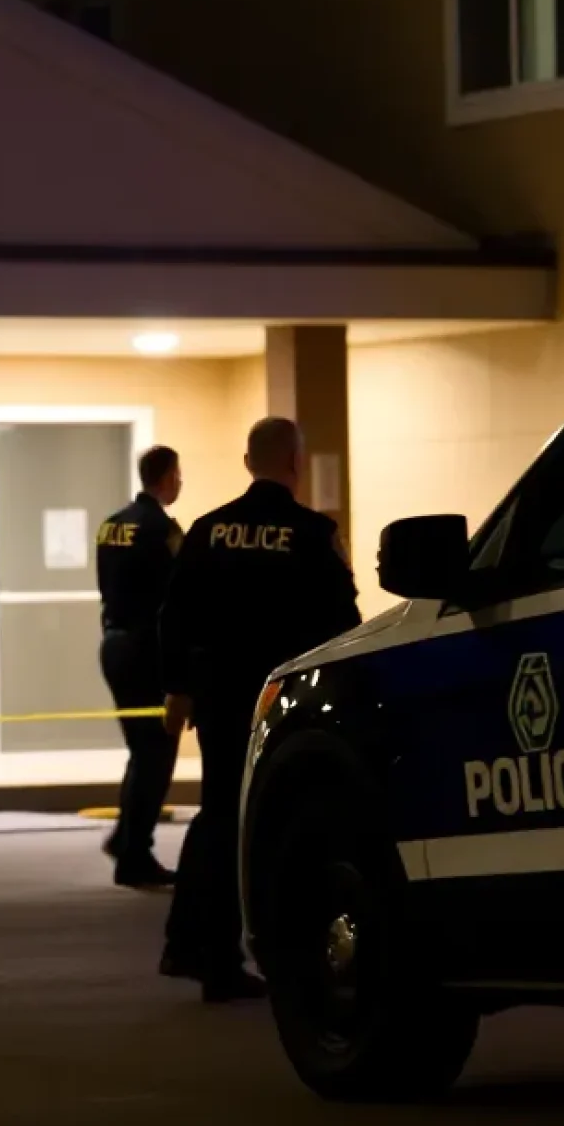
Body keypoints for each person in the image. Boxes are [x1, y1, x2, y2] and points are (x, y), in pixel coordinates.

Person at [159, 416, 361, 1002]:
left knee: (219, 814)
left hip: (220, 700)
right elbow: (341, 625)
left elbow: (174, 616)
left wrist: (179, 689)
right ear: (297, 464)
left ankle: (196, 947)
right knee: (277, 822)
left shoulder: (207, 530)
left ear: (248, 464)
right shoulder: (312, 534)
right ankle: (269, 953)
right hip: (286, 703)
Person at [96, 444, 184, 889]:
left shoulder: (111, 526)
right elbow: (181, 593)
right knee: (157, 753)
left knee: (141, 748)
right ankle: (135, 854)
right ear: (168, 477)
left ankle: (125, 837)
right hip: (148, 649)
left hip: (114, 644)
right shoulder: (161, 529)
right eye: (179, 475)